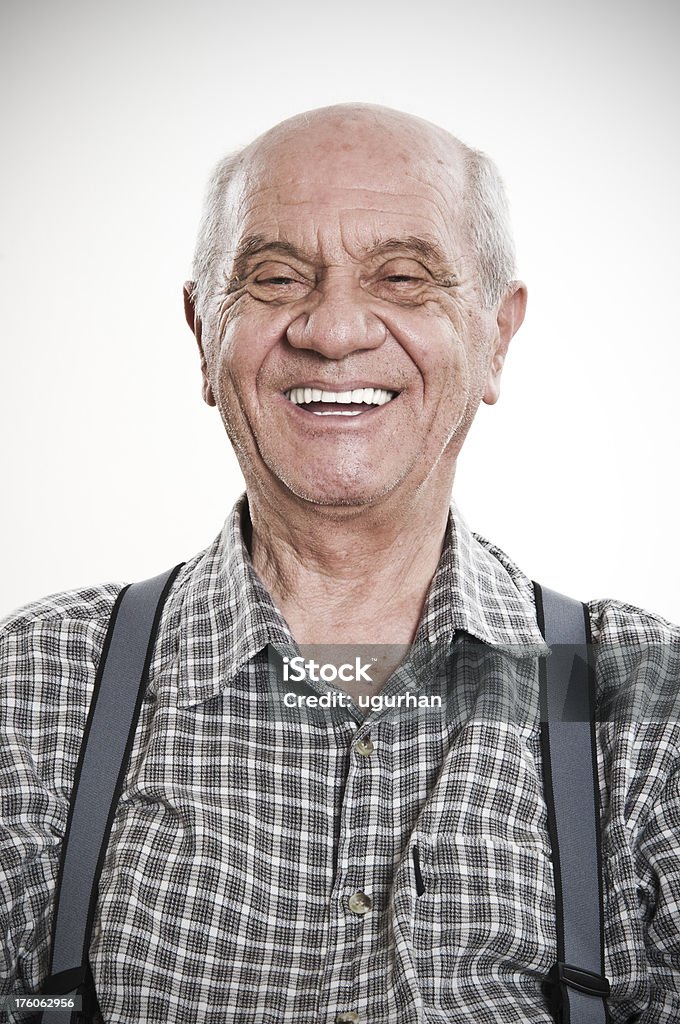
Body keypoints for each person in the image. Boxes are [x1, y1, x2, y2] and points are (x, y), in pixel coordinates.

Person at [1, 104, 678, 1024]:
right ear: (203, 333)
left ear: (497, 336)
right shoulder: (37, 683)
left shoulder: (639, 702)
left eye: (402, 278)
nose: (333, 329)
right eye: (276, 279)